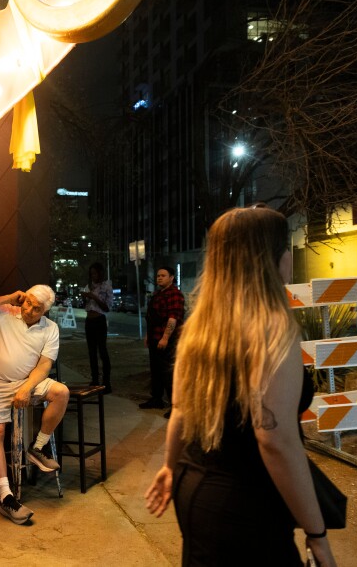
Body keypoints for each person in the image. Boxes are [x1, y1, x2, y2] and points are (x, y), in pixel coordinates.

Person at [144, 206, 337, 567]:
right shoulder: (274, 330)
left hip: (194, 487)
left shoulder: (202, 328)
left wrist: (170, 467)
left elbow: (182, 411)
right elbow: (275, 440)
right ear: (277, 260)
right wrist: (317, 533)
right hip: (244, 502)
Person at [0, 285, 70, 525]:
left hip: (26, 382)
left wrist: (26, 388)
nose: (30, 310)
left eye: (37, 309)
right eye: (28, 303)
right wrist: (7, 297)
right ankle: (6, 497)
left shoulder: (50, 328)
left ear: (45, 311)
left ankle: (37, 448)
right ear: (24, 298)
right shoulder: (5, 311)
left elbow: (44, 365)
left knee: (61, 392)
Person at [139, 265, 184, 415]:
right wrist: (148, 336)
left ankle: (175, 406)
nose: (159, 278)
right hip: (154, 338)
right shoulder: (157, 294)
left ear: (171, 277)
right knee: (156, 371)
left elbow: (173, 317)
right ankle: (156, 399)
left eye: (163, 275)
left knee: (169, 373)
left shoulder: (175, 294)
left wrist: (165, 338)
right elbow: (150, 318)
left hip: (167, 340)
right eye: (158, 275)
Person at [81, 262, 113, 392]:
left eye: (95, 273)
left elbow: (107, 307)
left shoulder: (106, 286)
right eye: (91, 273)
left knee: (102, 351)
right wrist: (86, 297)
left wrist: (94, 297)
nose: (93, 276)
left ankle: (106, 383)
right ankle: (94, 380)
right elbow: (87, 305)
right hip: (89, 321)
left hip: (99, 320)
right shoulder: (88, 286)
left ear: (100, 273)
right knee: (91, 352)